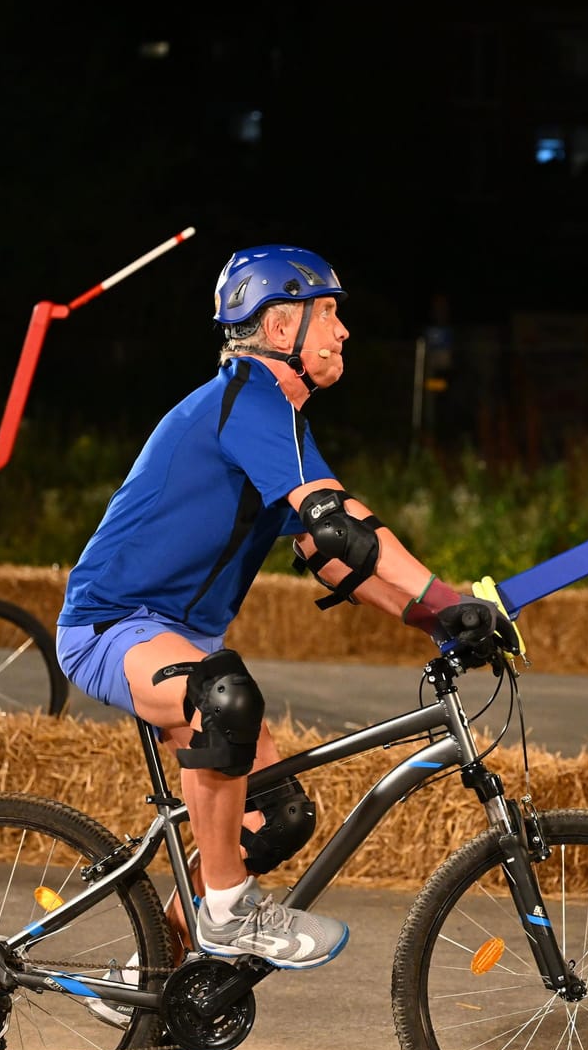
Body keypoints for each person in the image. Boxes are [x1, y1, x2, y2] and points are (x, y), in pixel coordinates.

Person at [55, 245, 514, 969]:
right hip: (113, 626)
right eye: (328, 312)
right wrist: (444, 599)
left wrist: (435, 620)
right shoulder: (249, 397)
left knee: (276, 818)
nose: (343, 331)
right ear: (277, 328)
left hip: (181, 637)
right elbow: (340, 523)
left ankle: (152, 985)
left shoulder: (281, 423)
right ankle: (230, 920)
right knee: (225, 699)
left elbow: (333, 551)